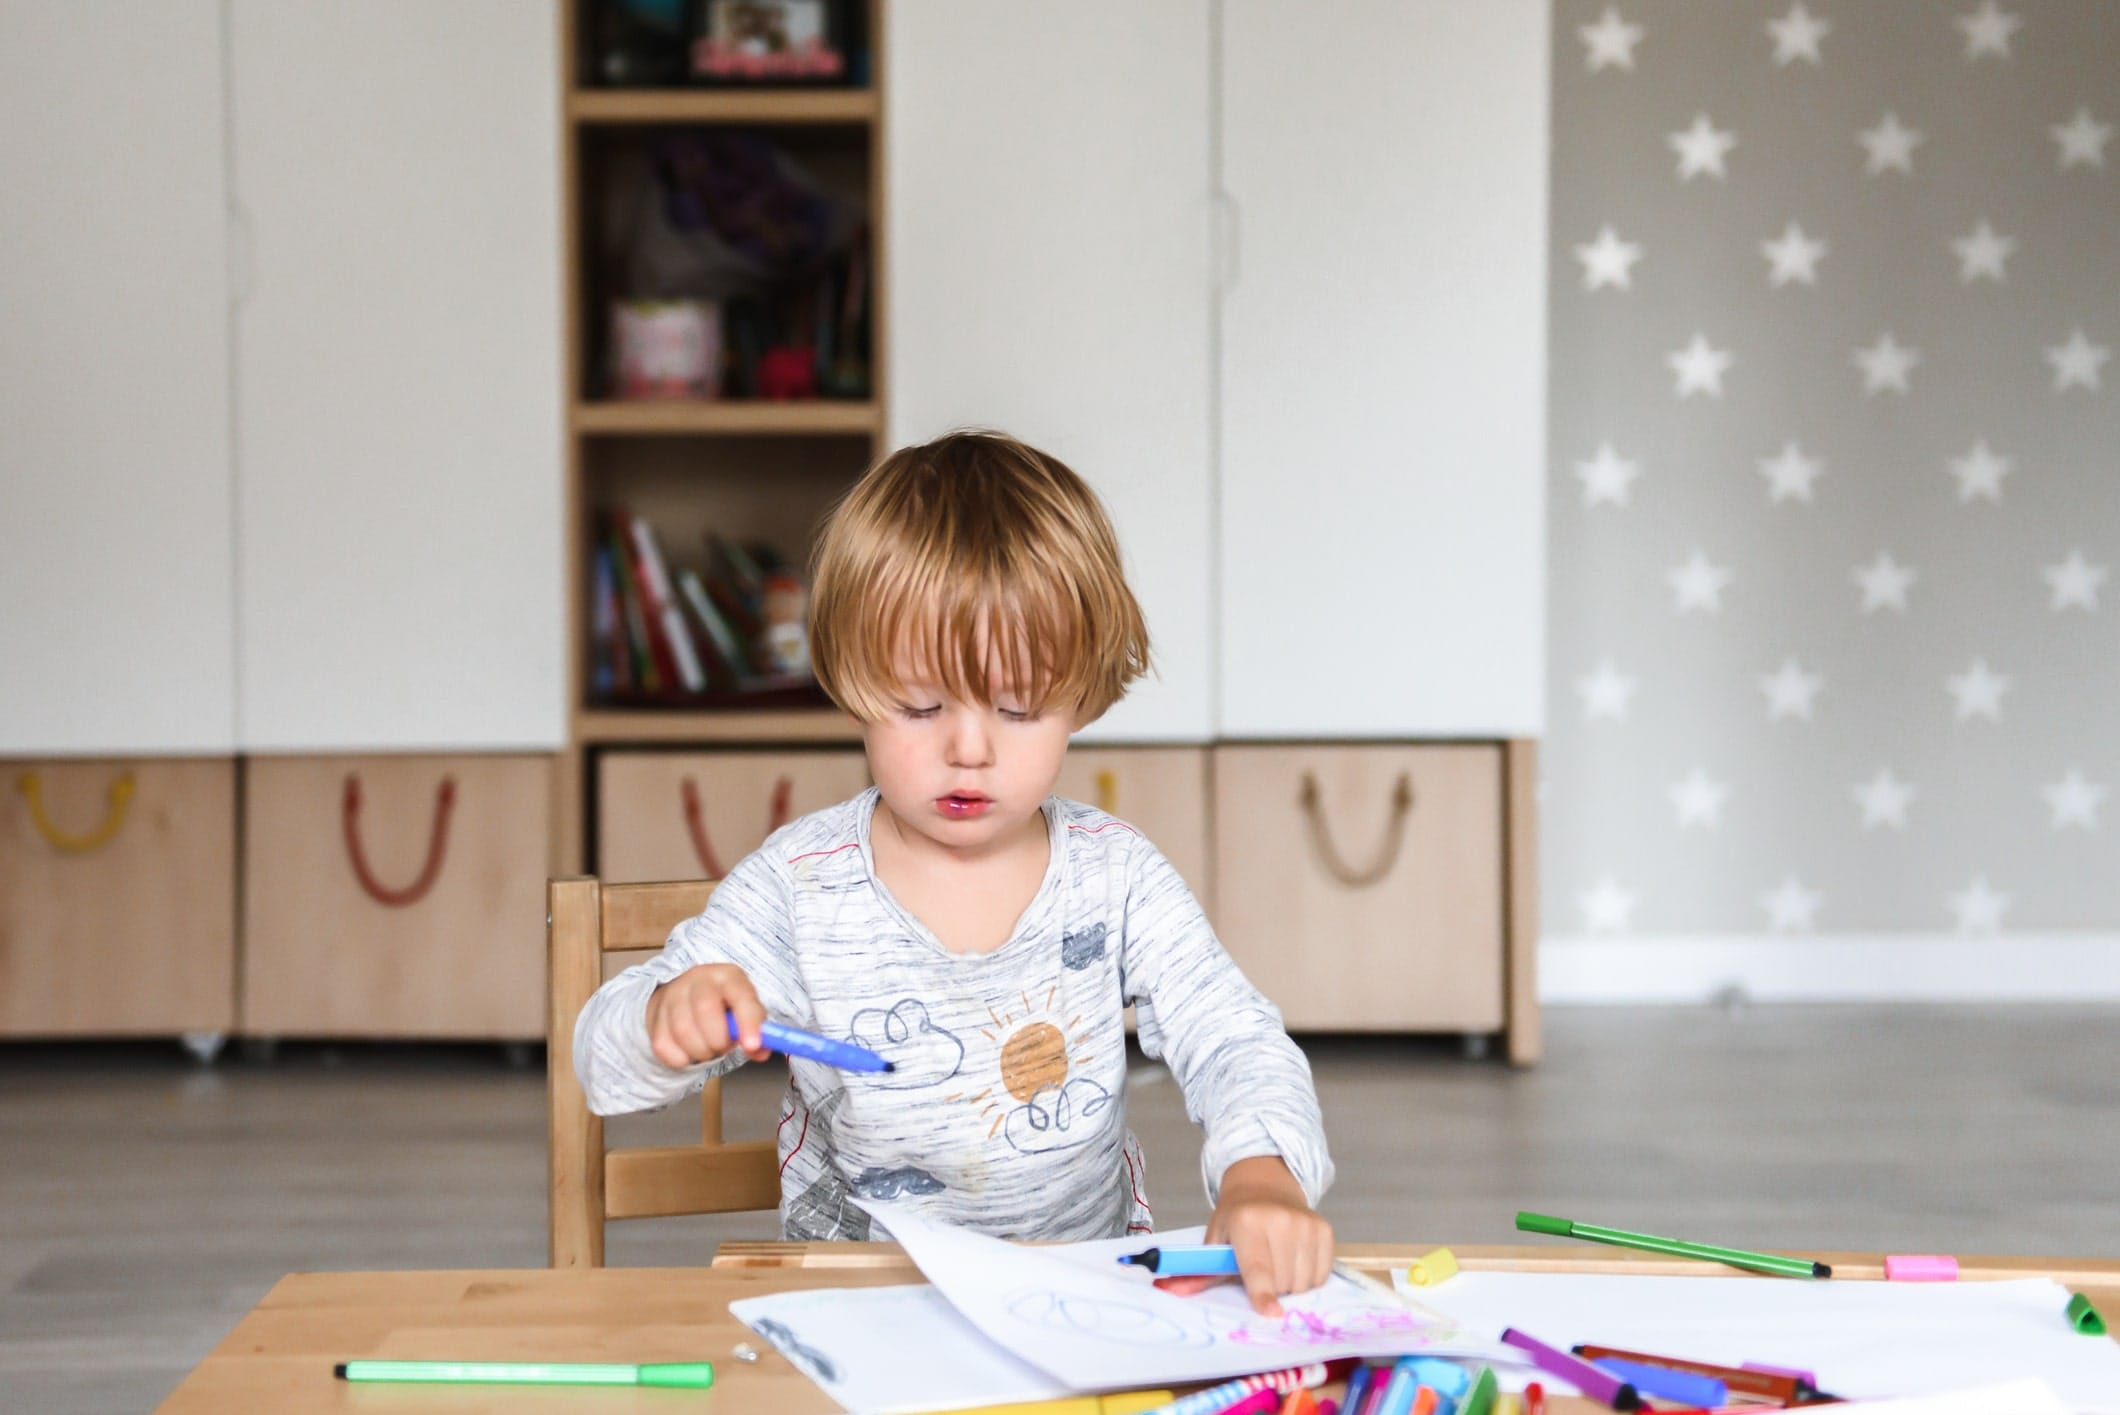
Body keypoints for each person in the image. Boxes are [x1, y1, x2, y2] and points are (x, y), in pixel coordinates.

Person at [574, 430, 1334, 1314]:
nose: (968, 748)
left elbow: (1236, 1039)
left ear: (1081, 694)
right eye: (919, 705)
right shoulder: (797, 886)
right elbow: (603, 1067)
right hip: (860, 1308)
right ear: (853, 680)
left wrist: (1262, 1172)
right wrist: (667, 1016)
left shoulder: (1116, 877)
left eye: (1017, 707)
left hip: (1080, 1303)